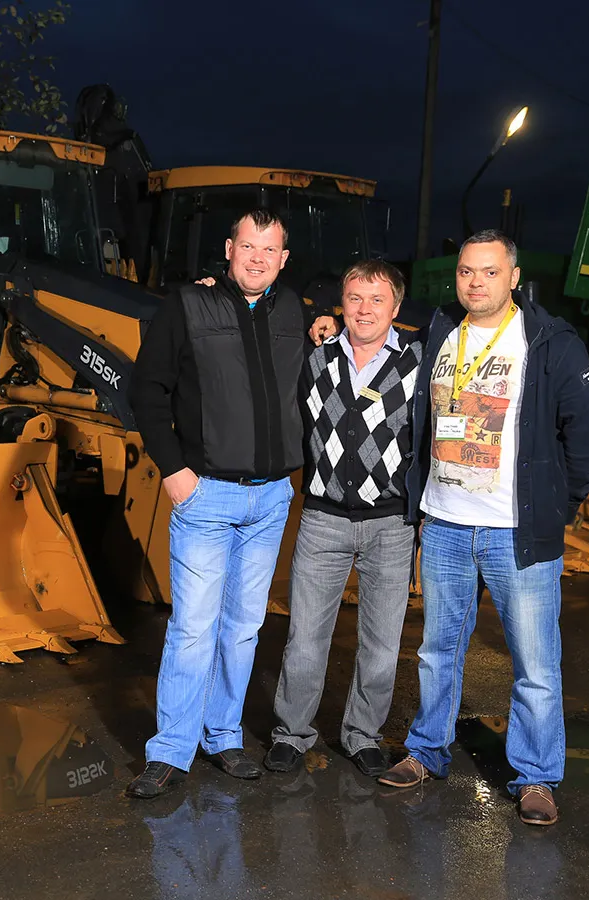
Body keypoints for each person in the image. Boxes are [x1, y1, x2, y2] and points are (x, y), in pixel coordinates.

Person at [377, 230, 589, 827]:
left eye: (489, 271)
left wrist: (556, 507)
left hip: (516, 533)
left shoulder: (549, 342)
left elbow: (587, 439)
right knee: (437, 652)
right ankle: (426, 750)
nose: (475, 282)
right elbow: (374, 336)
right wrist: (326, 322)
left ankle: (536, 777)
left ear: (514, 277)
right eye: (465, 271)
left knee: (535, 664)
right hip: (446, 526)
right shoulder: (439, 332)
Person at [126, 208, 306, 799]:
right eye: (248, 246)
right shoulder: (187, 305)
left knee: (244, 629)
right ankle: (170, 750)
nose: (258, 258)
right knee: (193, 629)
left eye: (269, 249)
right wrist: (173, 470)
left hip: (270, 499)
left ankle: (223, 734)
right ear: (229, 249)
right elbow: (146, 389)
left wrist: (328, 317)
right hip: (205, 495)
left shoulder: (293, 310)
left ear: (283, 259)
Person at [266, 259, 422, 779]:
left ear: (396, 308)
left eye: (377, 300)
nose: (365, 309)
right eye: (355, 298)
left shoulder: (418, 361)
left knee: (381, 643)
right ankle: (291, 733)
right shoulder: (315, 356)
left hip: (392, 525)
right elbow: (274, 308)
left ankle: (362, 734)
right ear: (341, 305)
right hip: (323, 520)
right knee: (305, 638)